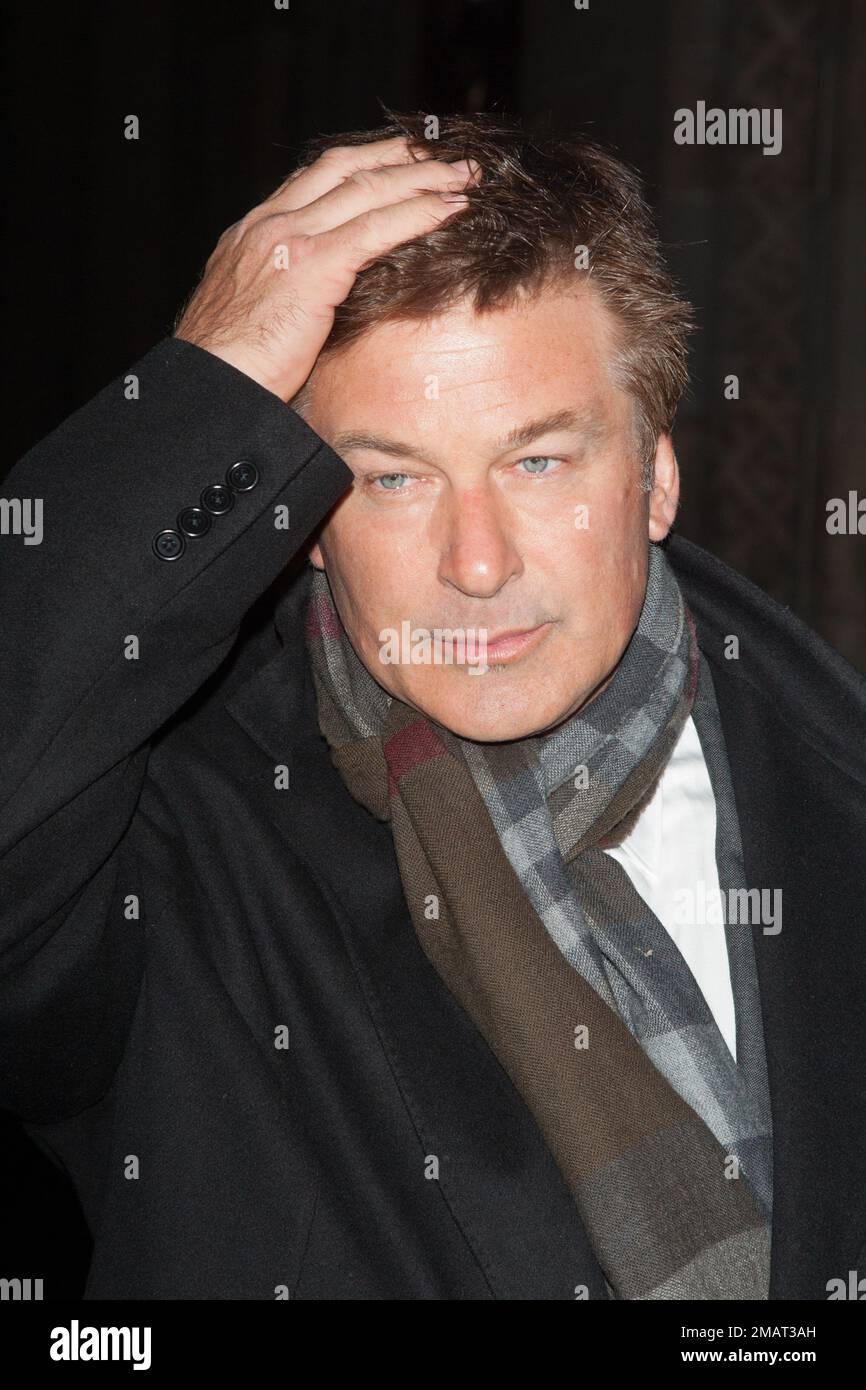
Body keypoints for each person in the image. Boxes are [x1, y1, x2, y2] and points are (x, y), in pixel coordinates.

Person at [2, 112, 864, 1301]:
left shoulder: (828, 765)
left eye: (538, 460)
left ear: (654, 476)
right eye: (391, 478)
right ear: (302, 520)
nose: (473, 561)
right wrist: (204, 390)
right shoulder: (170, 843)